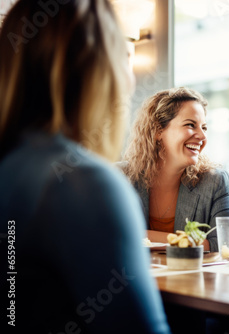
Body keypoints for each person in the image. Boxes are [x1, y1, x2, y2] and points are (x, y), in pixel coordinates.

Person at [0, 1, 170, 333]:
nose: (131, 80)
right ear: (97, 71)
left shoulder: (12, 165)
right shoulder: (83, 182)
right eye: (125, 56)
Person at [120, 88, 229, 252]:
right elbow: (105, 236)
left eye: (204, 127)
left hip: (193, 277)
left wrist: (141, 235)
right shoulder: (120, 178)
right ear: (158, 131)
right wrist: (188, 242)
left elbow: (226, 245)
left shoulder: (215, 182)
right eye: (191, 125)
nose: (202, 136)